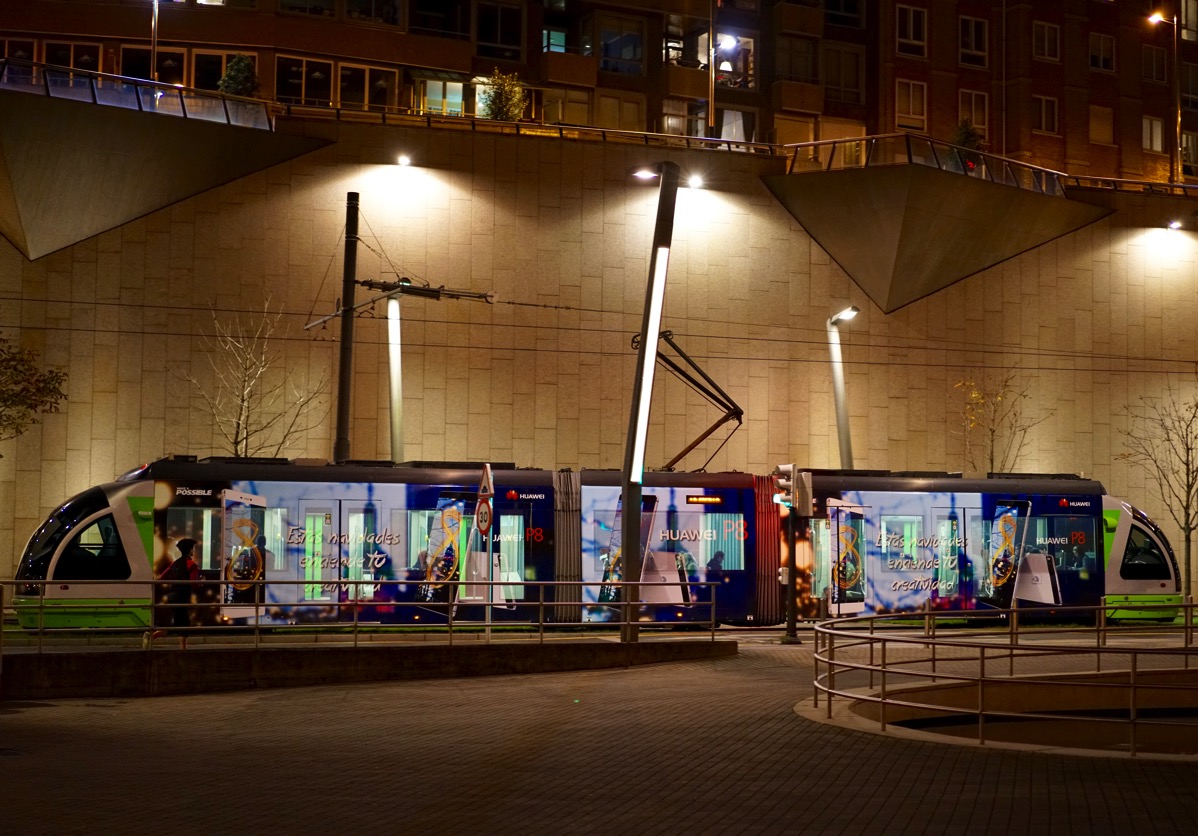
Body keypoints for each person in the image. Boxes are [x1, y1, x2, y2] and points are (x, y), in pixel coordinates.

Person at [147, 538, 202, 650]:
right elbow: (193, 583)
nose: (194, 551)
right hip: (182, 596)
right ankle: (183, 649)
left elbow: (163, 577)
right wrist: (201, 582)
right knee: (184, 622)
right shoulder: (192, 565)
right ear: (190, 550)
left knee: (178, 622)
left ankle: (153, 636)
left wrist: (176, 578)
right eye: (193, 548)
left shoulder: (175, 563)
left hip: (172, 595)